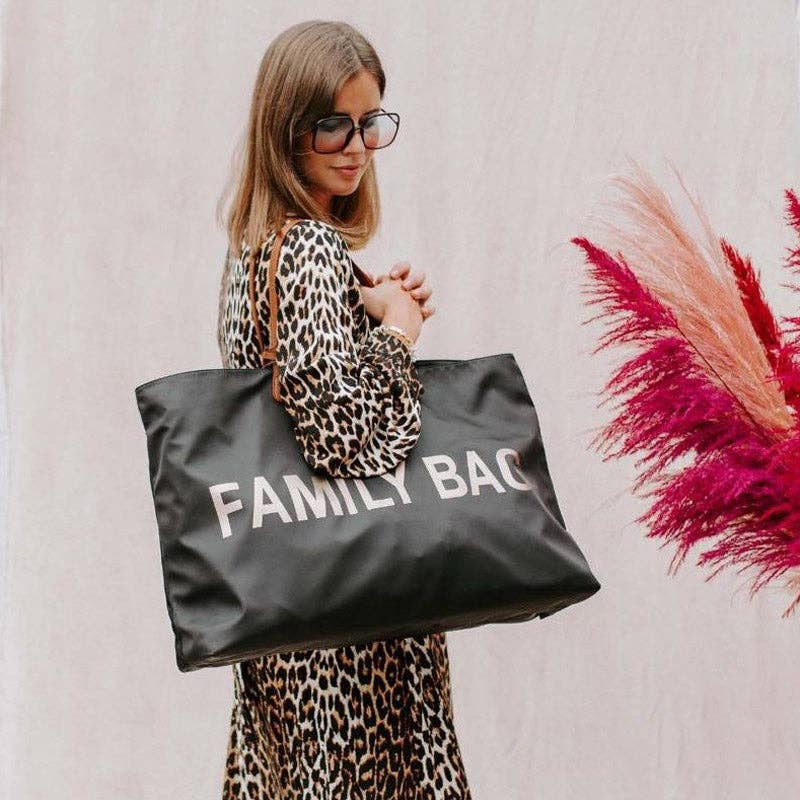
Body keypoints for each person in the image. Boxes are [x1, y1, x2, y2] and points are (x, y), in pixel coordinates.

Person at [215, 18, 473, 800]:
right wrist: (398, 332)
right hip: (348, 636)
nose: (356, 147)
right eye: (333, 125)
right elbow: (343, 439)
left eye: (370, 123)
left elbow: (302, 389)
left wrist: (369, 309)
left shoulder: (256, 249)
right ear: (285, 128)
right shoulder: (309, 249)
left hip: (293, 612)